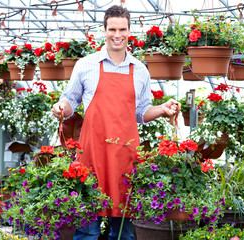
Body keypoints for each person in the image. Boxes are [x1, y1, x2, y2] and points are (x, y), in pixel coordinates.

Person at [51, 5, 180, 240]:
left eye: (122, 29)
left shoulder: (140, 70)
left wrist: (162, 109)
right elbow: (70, 100)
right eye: (112, 29)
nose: (117, 34)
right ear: (104, 30)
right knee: (86, 232)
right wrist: (61, 107)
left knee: (123, 234)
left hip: (124, 160)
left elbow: (141, 112)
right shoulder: (86, 65)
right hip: (91, 158)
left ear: (130, 31)